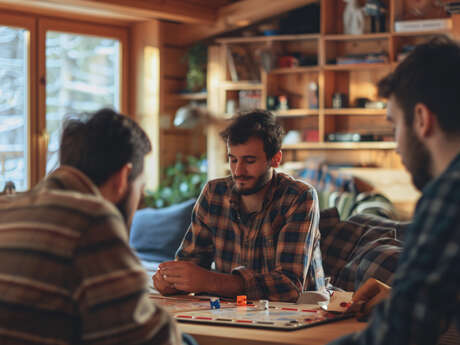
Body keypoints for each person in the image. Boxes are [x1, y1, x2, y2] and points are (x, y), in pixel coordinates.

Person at [0, 108, 183, 345]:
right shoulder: (91, 220)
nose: (140, 199)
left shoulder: (6, 206)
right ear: (122, 178)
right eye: (140, 188)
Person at [329, 36, 460, 345]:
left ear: (421, 119)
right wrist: (400, 295)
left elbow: (397, 335)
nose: (396, 144)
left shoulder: (449, 193)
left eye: (394, 125)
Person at [154, 110, 325, 302]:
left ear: (276, 159)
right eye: (233, 159)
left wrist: (210, 281)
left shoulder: (299, 196)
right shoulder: (214, 193)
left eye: (249, 161)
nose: (238, 171)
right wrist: (172, 282)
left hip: (299, 312)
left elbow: (289, 287)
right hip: (232, 311)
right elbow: (190, 264)